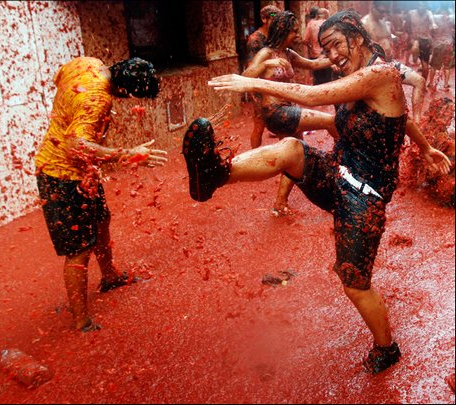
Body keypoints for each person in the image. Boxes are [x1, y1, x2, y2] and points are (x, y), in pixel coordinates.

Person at [184, 10, 452, 373]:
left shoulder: (379, 74)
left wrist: (256, 84)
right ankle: (214, 176)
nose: (333, 55)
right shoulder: (357, 72)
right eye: (326, 48)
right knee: (291, 151)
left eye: (337, 45)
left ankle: (387, 349)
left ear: (356, 38)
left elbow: (313, 95)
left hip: (365, 197)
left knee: (355, 284)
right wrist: (425, 148)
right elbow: (402, 119)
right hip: (339, 173)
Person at [35, 56, 168, 332]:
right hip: (62, 175)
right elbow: (76, 146)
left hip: (84, 172)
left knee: (101, 221)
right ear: (125, 91)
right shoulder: (98, 98)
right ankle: (81, 320)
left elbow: (58, 79)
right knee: (79, 250)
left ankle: (109, 276)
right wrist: (128, 154)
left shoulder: (88, 63)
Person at [243, 10, 337, 216]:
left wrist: (338, 56)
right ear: (283, 30)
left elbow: (314, 64)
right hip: (275, 112)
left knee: (294, 153)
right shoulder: (266, 53)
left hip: (288, 110)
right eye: (294, 31)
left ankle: (279, 203)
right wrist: (266, 64)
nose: (297, 35)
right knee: (331, 121)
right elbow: (246, 76)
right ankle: (348, 162)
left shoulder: (288, 53)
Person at [245, 4, 281, 149]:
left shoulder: (274, 36)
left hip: (274, 84)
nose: (276, 21)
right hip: (260, 86)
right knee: (259, 126)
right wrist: (256, 92)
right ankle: (254, 157)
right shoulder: (255, 39)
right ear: (264, 19)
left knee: (280, 124)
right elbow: (251, 68)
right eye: (273, 18)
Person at [405, 1, 437, 82]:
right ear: (417, 6)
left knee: (425, 67)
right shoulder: (411, 13)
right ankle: (414, 59)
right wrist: (410, 36)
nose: (421, 8)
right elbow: (407, 26)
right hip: (414, 39)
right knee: (415, 58)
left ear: (426, 7)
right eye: (420, 5)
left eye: (423, 6)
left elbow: (432, 20)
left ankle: (423, 83)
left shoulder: (428, 13)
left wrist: (433, 24)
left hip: (425, 41)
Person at [304, 8, 333, 85]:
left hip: (315, 56)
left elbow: (304, 40)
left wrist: (311, 47)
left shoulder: (311, 24)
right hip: (327, 56)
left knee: (317, 80)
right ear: (326, 15)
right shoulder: (329, 23)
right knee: (328, 80)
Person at [428, 6, 455, 91]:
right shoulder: (452, 18)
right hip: (448, 44)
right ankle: (446, 84)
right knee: (447, 67)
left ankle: (431, 83)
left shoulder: (435, 18)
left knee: (433, 66)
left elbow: (431, 30)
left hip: (439, 45)